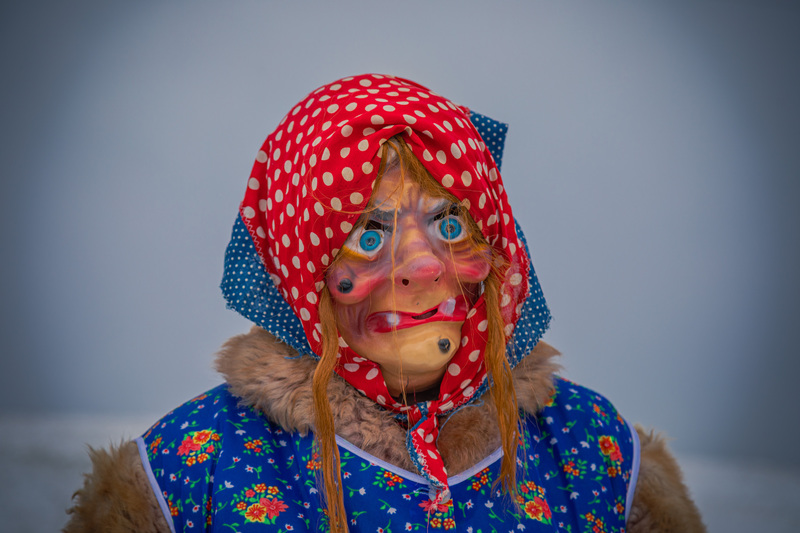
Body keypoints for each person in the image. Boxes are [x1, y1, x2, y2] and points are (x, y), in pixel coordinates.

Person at [65, 74, 705, 532]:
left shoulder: (595, 451)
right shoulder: (186, 472)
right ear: (301, 269)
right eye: (367, 235)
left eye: (451, 224)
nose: (425, 265)